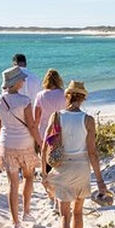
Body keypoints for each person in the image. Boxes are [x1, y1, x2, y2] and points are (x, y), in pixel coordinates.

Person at [41, 81, 109, 228]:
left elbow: (44, 147)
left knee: (64, 214)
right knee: (78, 213)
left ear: (67, 96)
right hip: (81, 169)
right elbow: (92, 153)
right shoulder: (88, 120)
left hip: (62, 167)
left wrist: (43, 174)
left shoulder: (56, 116)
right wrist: (100, 181)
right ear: (83, 98)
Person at [0, 65, 43, 228]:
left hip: (7, 144)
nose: (24, 80)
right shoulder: (25, 101)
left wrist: (3, 141)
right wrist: (41, 142)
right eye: (21, 79)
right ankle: (26, 211)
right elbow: (31, 126)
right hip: (25, 144)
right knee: (29, 177)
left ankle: (15, 222)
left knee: (12, 184)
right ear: (16, 83)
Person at [34, 68, 68, 207]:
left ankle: (50, 195)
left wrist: (35, 137)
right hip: (62, 132)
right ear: (58, 80)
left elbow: (36, 119)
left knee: (47, 165)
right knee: (61, 163)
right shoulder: (64, 94)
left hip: (44, 132)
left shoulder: (40, 96)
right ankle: (59, 194)